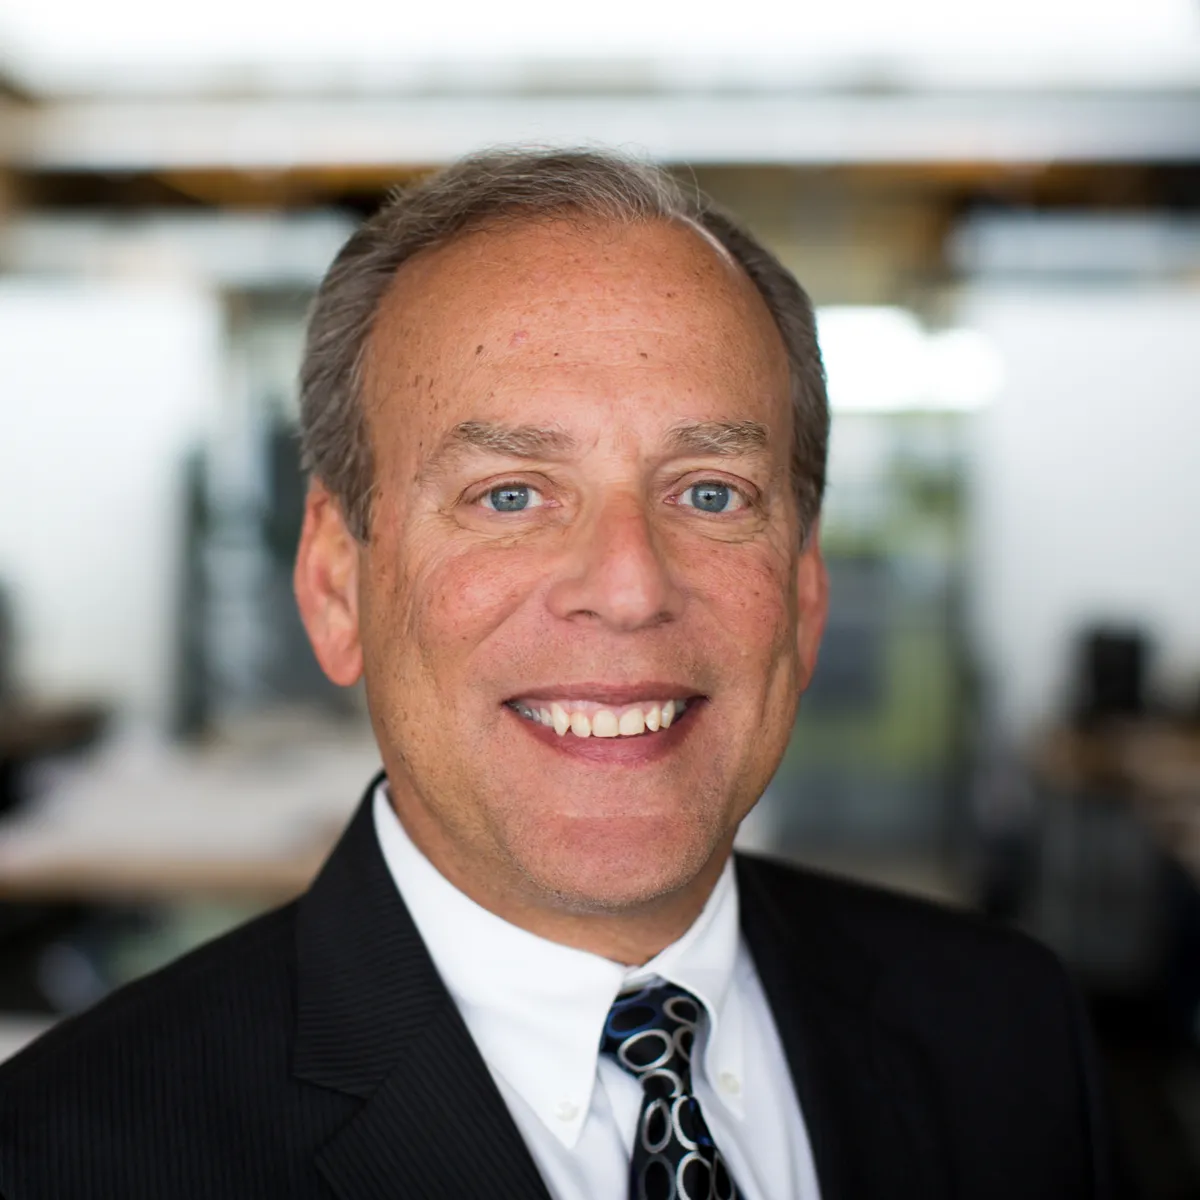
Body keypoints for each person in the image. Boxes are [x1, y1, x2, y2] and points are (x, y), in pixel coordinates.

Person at [0, 149, 1117, 1200]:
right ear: (337, 586)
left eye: (712, 492)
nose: (629, 587)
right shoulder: (71, 1154)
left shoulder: (1007, 1028)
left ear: (806, 593)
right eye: (511, 495)